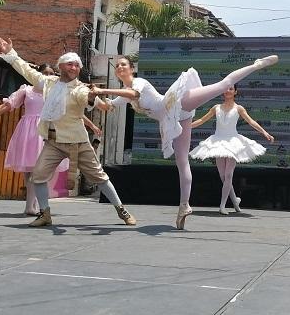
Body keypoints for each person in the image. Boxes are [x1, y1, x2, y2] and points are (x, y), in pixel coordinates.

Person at [93, 53, 279, 229]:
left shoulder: (138, 83)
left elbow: (134, 95)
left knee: (223, 85)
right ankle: (184, 205)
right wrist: (90, 96)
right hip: (174, 119)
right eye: (117, 66)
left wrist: (102, 90)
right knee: (182, 161)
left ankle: (256, 65)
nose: (119, 67)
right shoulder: (123, 94)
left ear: (132, 69)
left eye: (123, 64)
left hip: (177, 103)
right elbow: (107, 106)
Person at [0, 36, 135, 227]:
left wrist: (93, 97)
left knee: (100, 177)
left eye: (77, 65)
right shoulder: (48, 82)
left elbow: (86, 99)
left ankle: (121, 209)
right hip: (53, 141)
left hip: (78, 142)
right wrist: (10, 53)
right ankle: (44, 213)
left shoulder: (80, 89)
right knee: (38, 176)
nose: (74, 68)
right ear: (60, 66)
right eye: (70, 64)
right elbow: (26, 70)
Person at [0, 63, 101, 215]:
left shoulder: (55, 93)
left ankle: (34, 205)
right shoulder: (26, 90)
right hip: (28, 132)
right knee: (29, 170)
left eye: (51, 74)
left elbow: (74, 112)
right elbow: (7, 105)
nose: (48, 76)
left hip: (46, 131)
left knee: (40, 170)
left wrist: (92, 125)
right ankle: (31, 206)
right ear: (38, 74)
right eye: (45, 73)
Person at [189, 84, 274, 214]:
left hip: (233, 142)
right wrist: (186, 126)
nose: (227, 91)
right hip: (218, 141)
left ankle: (222, 206)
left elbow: (251, 122)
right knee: (223, 176)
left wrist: (265, 132)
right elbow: (201, 120)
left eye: (231, 89)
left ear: (235, 92)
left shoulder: (239, 108)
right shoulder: (216, 107)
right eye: (226, 89)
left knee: (228, 174)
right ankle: (235, 200)